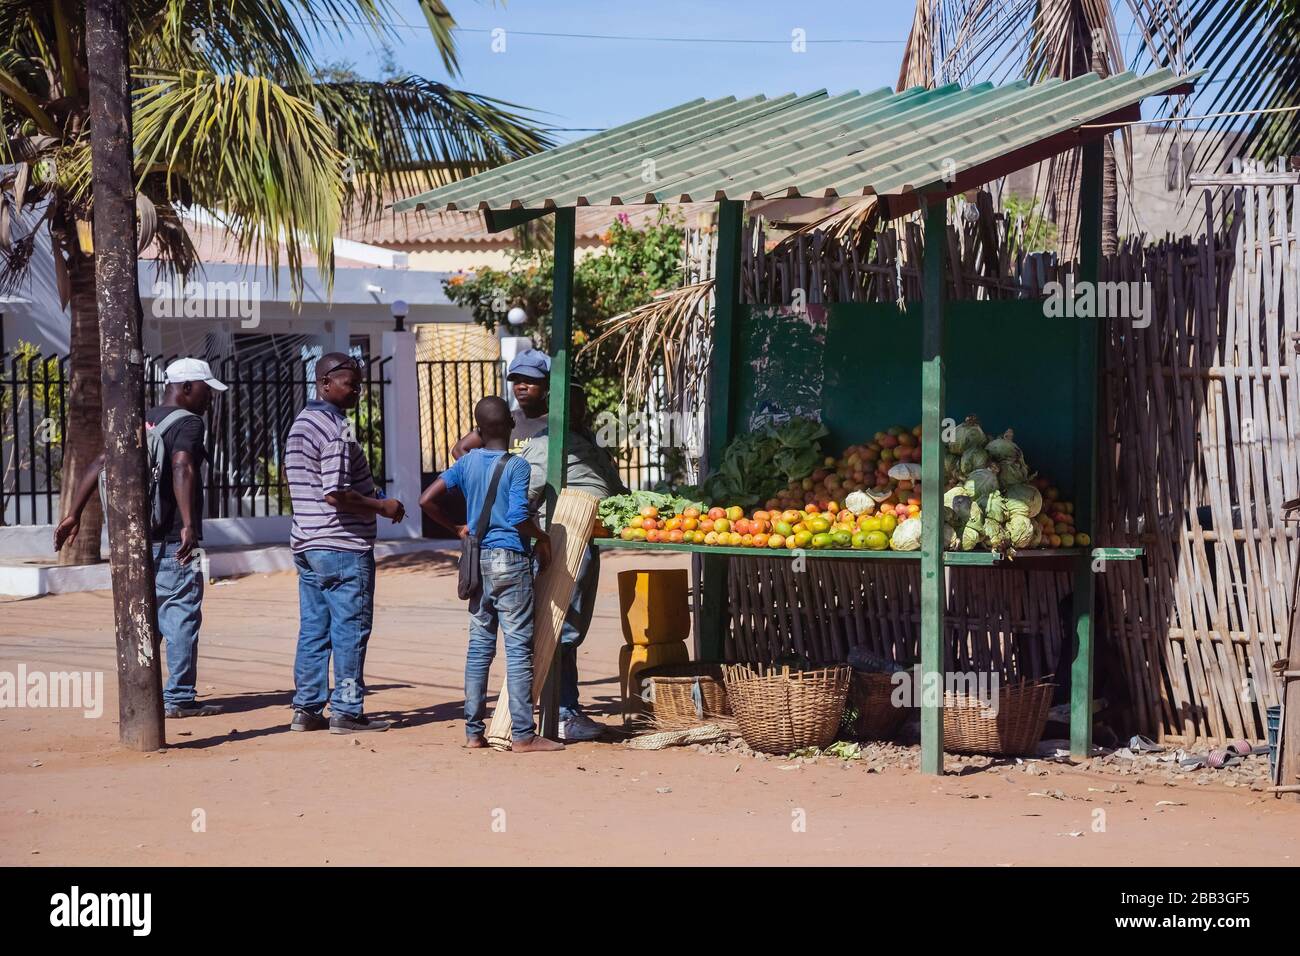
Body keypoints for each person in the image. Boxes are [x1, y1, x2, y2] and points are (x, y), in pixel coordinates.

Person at [54, 357, 227, 718]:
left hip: (134, 541)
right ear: (186, 388)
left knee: (143, 618)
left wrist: (73, 513)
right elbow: (182, 465)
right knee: (181, 615)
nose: (210, 399)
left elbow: (100, 460)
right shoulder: (189, 424)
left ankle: (143, 696)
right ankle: (178, 698)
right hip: (175, 542)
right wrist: (187, 524)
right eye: (207, 391)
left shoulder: (139, 416)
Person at [420, 396, 562, 753]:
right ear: (512, 427)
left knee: (479, 648)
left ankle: (472, 733)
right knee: (517, 649)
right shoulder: (518, 466)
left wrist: (457, 528)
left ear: (478, 430)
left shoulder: (467, 463)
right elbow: (517, 517)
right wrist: (543, 538)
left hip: (477, 561)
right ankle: (525, 736)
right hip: (510, 561)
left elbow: (426, 500)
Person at [284, 352, 405, 735]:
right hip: (342, 545)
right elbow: (335, 492)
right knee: (350, 630)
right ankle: (347, 711)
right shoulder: (336, 428)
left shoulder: (303, 422)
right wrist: (382, 506)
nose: (357, 391)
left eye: (359, 384)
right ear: (324, 383)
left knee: (314, 629)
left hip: (307, 543)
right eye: (350, 384)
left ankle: (306, 709)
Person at [521, 384, 628, 742]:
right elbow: (524, 497)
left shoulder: (587, 443)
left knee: (573, 626)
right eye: (572, 407)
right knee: (561, 629)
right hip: (563, 543)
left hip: (587, 541)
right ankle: (562, 712)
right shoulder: (543, 446)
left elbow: (613, 487)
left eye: (581, 407)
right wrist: (541, 540)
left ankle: (565, 709)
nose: (578, 413)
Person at [452, 349, 550, 458]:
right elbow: (460, 449)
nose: (521, 386)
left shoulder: (556, 425)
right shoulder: (506, 420)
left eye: (529, 380)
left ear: (546, 385)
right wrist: (481, 473)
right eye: (517, 381)